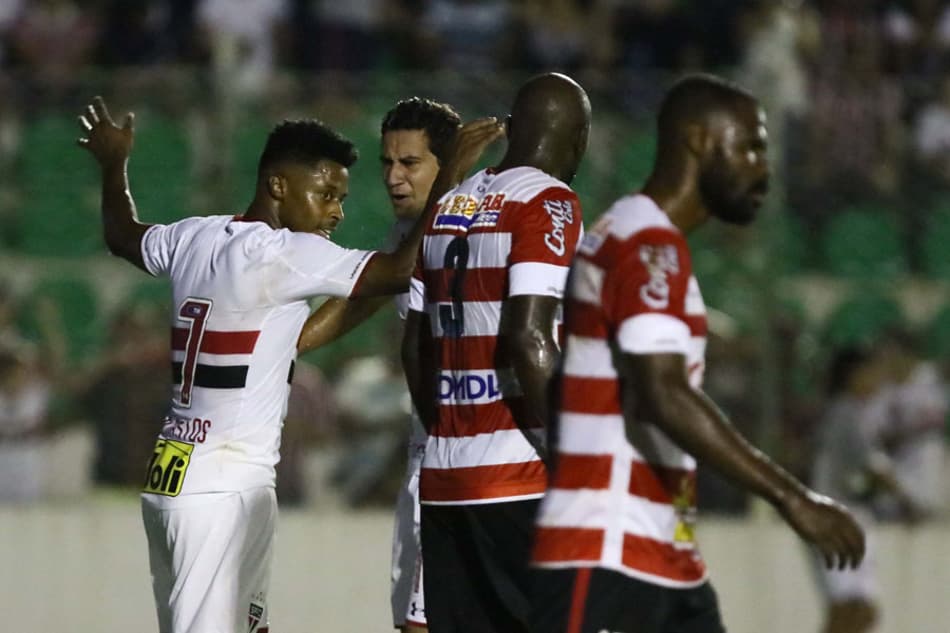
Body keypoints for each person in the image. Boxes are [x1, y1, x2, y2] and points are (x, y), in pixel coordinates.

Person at [75, 96, 502, 633]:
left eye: (341, 198)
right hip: (222, 488)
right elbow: (404, 267)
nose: (335, 212)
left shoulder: (195, 235)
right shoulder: (283, 253)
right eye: (325, 195)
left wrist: (115, 165)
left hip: (179, 475)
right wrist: (453, 174)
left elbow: (121, 234)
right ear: (278, 186)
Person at [529, 73, 866, 633]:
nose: (763, 166)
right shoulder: (646, 243)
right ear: (698, 140)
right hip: (605, 551)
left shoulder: (637, 236)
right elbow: (662, 392)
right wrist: (792, 498)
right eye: (751, 145)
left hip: (663, 555)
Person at [402, 72, 590, 633]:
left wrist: (449, 429)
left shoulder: (448, 201)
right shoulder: (549, 202)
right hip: (519, 477)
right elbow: (531, 337)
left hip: (446, 479)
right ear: (576, 138)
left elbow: (415, 347)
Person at [297, 96, 462, 632]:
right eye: (387, 163)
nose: (393, 177)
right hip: (428, 451)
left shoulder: (470, 230)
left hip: (467, 453)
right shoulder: (405, 237)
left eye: (410, 164)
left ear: (449, 164)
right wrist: (287, 343)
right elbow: (364, 296)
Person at [810, 345, 913, 633]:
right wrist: (906, 499)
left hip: (851, 515)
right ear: (853, 375)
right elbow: (870, 466)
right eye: (872, 371)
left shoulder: (857, 413)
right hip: (835, 519)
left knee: (862, 610)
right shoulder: (844, 412)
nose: (878, 378)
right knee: (849, 609)